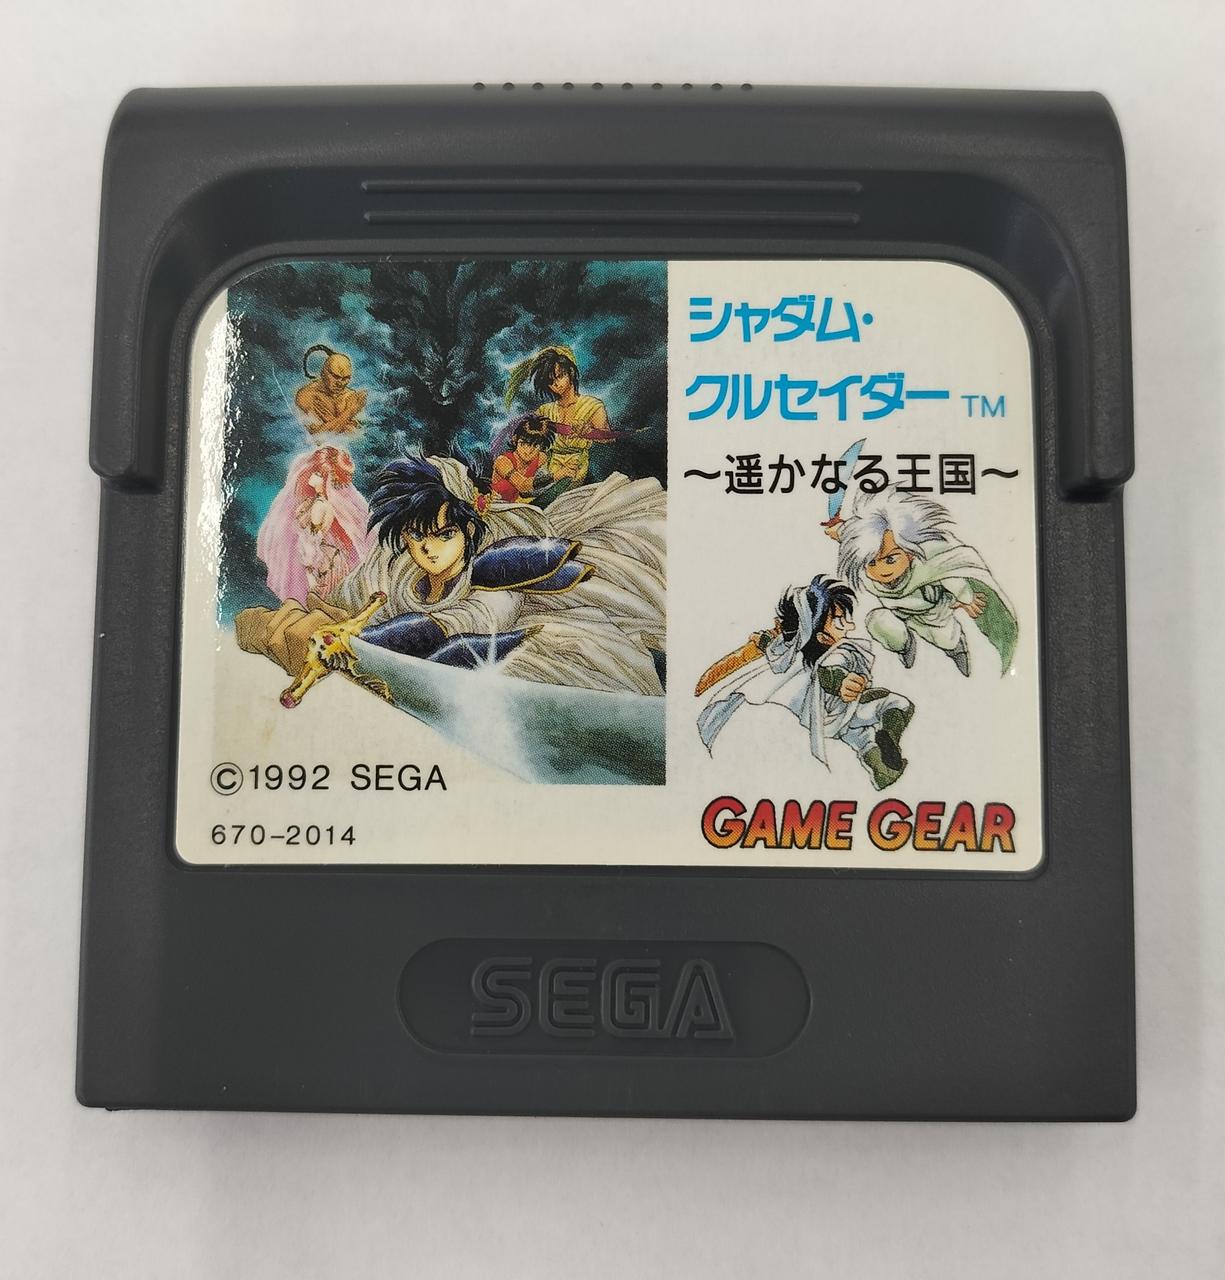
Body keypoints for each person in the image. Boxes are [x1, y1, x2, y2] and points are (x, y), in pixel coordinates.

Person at [238, 453, 666, 698]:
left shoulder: (495, 572)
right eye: (416, 535)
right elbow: (343, 605)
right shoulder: (393, 567)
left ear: (467, 532)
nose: (429, 548)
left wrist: (358, 644)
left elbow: (468, 621)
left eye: (445, 535)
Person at [696, 575, 914, 790]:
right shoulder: (839, 651)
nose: (849, 625)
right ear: (821, 636)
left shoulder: (790, 652)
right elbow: (829, 673)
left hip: (823, 719)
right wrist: (842, 683)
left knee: (862, 738)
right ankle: (889, 736)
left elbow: (772, 645)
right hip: (841, 708)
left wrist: (764, 640)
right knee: (897, 704)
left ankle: (884, 773)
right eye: (840, 620)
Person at [829, 486, 1017, 677]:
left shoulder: (925, 565)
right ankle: (905, 647)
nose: (881, 570)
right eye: (872, 563)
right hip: (898, 611)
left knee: (946, 639)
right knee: (877, 622)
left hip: (933, 611)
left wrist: (966, 598)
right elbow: (852, 537)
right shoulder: (864, 563)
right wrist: (839, 529)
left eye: (890, 559)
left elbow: (949, 572)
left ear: (909, 553)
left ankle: (957, 651)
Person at [255, 445, 374, 604]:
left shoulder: (320, 506)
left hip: (323, 564)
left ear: (325, 479)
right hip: (328, 558)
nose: (311, 476)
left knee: (322, 600)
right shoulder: (317, 503)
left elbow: (311, 542)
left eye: (316, 473)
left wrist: (310, 575)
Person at [503, 345, 622, 487]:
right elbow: (528, 440)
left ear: (570, 372)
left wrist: (588, 432)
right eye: (550, 382)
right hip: (546, 471)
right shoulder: (544, 411)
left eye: (560, 376)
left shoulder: (593, 405)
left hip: (577, 470)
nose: (556, 384)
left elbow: (609, 438)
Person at [294, 344, 367, 435]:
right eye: (336, 377)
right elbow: (317, 436)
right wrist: (350, 412)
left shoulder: (350, 396)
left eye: (345, 378)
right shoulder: (307, 395)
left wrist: (334, 424)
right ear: (323, 373)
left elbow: (355, 433)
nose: (340, 383)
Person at [489, 415, 555, 503]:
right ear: (515, 440)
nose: (528, 451)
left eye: (535, 446)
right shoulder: (502, 461)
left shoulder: (541, 458)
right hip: (496, 505)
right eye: (523, 444)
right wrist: (554, 477)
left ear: (542, 447)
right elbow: (522, 485)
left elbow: (535, 490)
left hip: (520, 505)